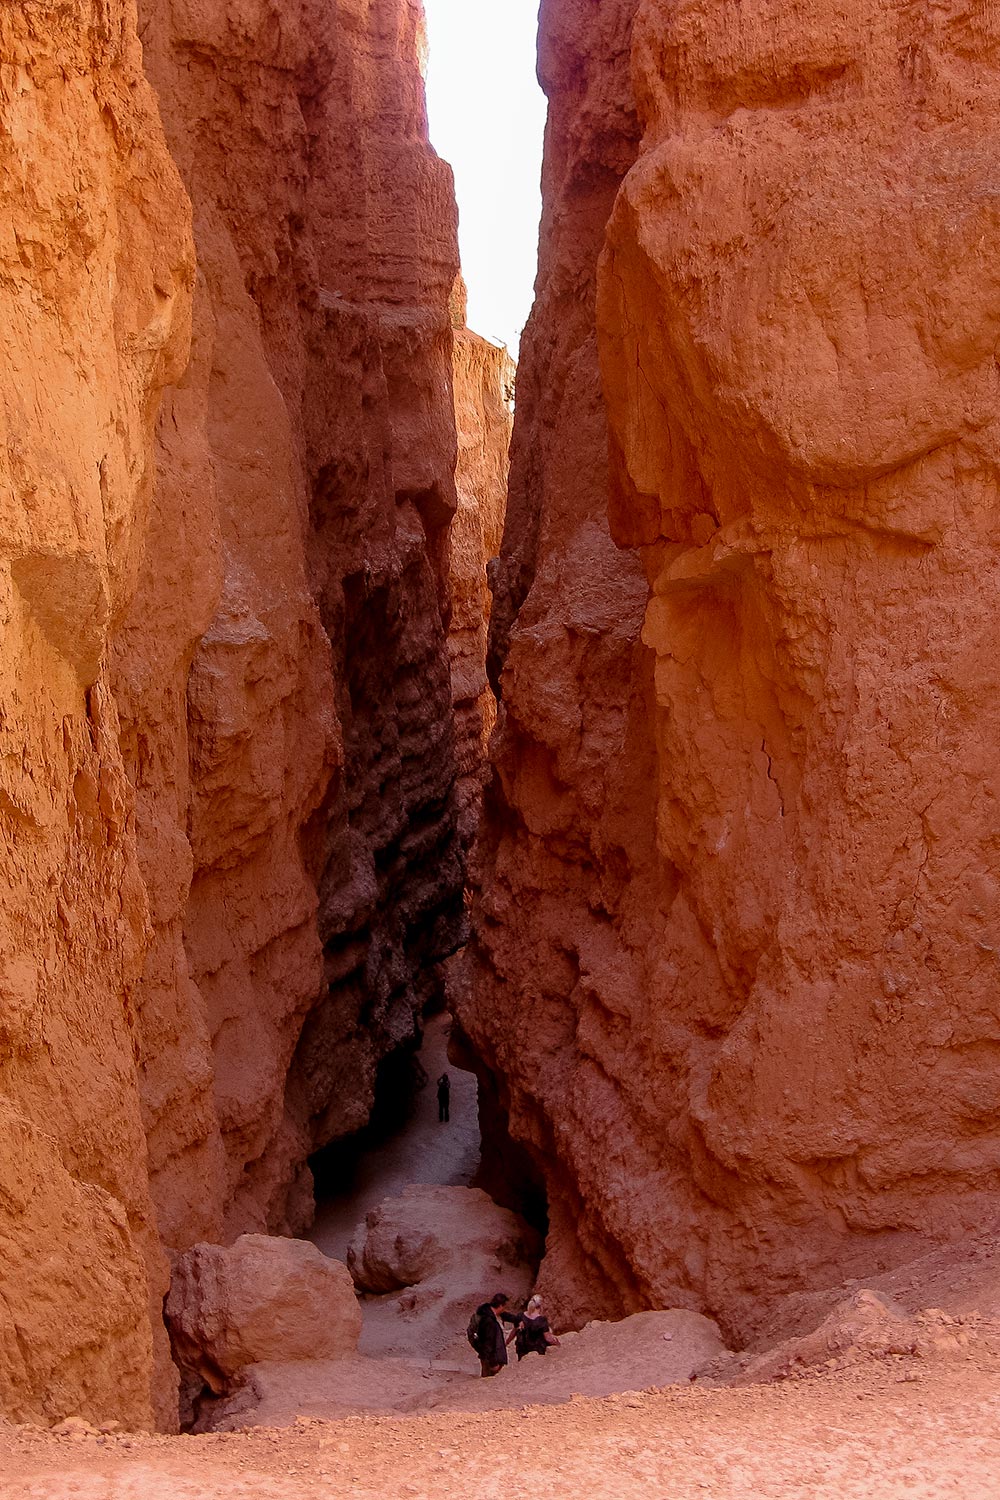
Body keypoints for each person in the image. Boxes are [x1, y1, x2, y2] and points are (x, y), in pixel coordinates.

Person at [469, 1292, 517, 1377]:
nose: (504, 1309)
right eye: (504, 1307)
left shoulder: (487, 1312)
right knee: (488, 1382)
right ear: (501, 1306)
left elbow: (505, 1315)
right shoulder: (489, 1322)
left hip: (487, 1357)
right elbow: (488, 1345)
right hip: (490, 1360)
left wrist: (519, 1319)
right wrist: (493, 1363)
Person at [514, 1294, 559, 1360]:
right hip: (537, 1351)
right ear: (540, 1306)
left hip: (522, 1351)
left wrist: (507, 1342)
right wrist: (557, 1343)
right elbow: (548, 1338)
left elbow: (514, 1331)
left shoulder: (520, 1316)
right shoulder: (541, 1320)